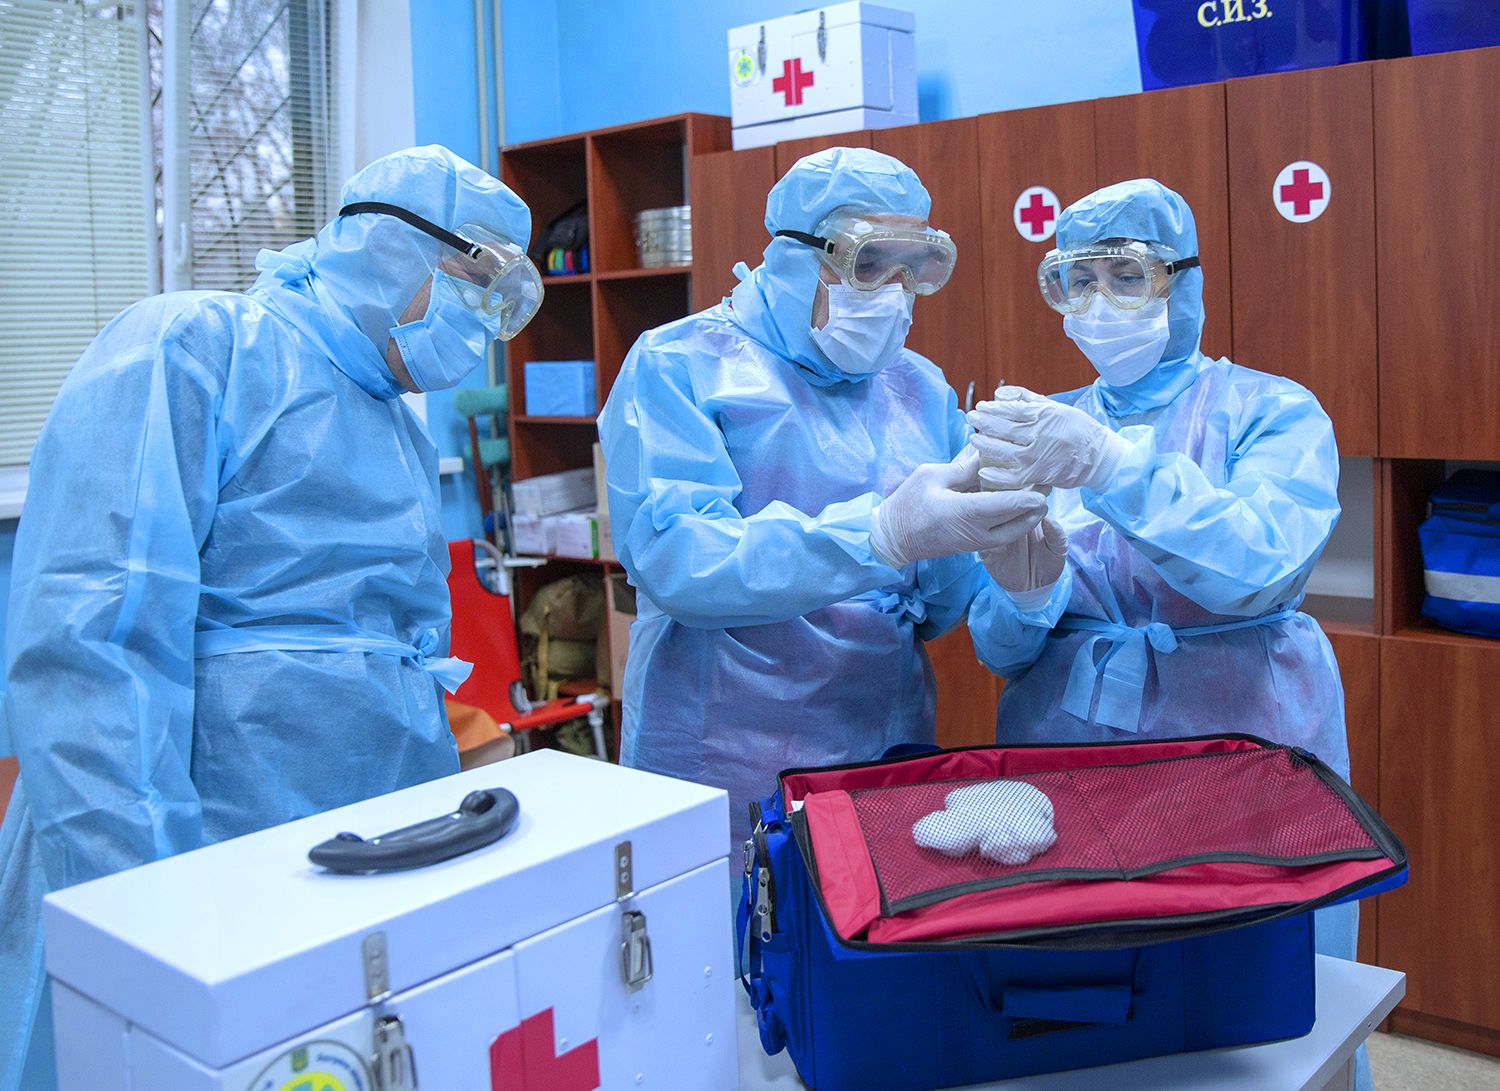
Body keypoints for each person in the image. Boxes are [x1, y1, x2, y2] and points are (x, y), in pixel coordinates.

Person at [0, 145, 540, 1090]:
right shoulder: (193, 347)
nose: (478, 328)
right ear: (389, 247)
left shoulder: (395, 427)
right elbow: (94, 650)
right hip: (192, 848)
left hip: (356, 850)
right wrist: (150, 912)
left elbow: (394, 658)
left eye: (501, 304)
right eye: (473, 282)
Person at [966, 179, 1368, 1088]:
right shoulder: (1044, 427)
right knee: (1090, 1005)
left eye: (1127, 276)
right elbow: (1001, 650)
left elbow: (1259, 563)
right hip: (1069, 761)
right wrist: (1024, 592)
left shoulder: (1271, 411)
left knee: (1268, 1021)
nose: (1099, 304)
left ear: (1182, 282)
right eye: (1076, 281)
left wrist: (1115, 468)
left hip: (1244, 753)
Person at [598, 147, 1045, 852]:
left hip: (883, 744)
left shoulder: (917, 387)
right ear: (792, 257)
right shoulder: (680, 365)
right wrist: (879, 535)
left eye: (912, 268)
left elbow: (936, 607)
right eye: (869, 263)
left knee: (865, 912)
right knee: (738, 915)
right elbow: (679, 562)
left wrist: (1005, 549)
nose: (893, 292)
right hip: (725, 756)